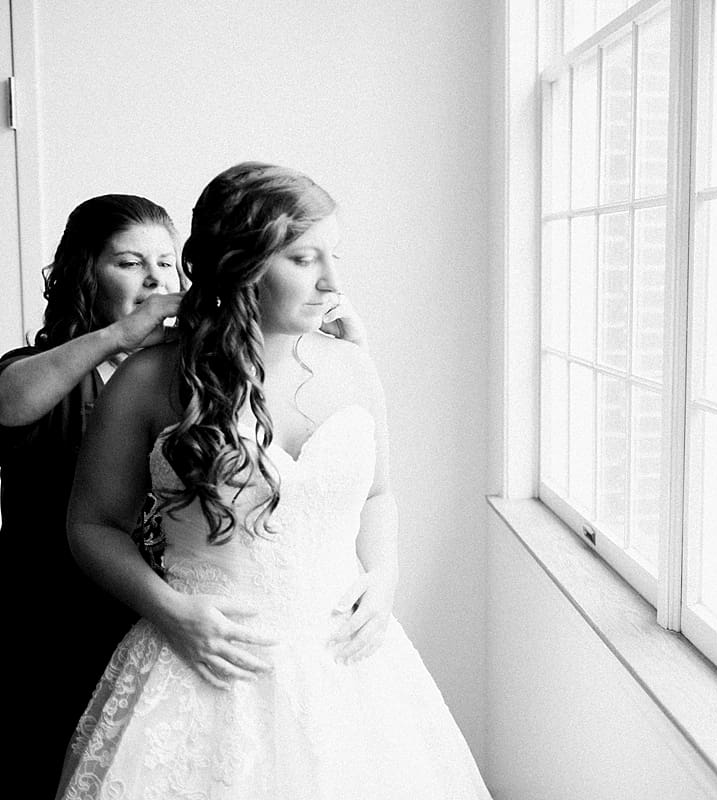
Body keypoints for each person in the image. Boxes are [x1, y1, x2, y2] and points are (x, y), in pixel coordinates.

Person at [55, 162, 491, 799]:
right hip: (202, 660)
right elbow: (91, 526)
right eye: (304, 258)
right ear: (244, 264)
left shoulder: (353, 367)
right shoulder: (149, 380)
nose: (332, 281)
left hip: (350, 667)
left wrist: (386, 574)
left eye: (333, 255)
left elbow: (378, 495)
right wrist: (173, 612)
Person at [0, 194, 184, 788]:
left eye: (167, 261)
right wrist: (119, 335)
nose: (156, 278)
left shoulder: (177, 378)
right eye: (130, 263)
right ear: (87, 272)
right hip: (52, 617)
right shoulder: (40, 367)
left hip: (148, 610)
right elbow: (9, 403)